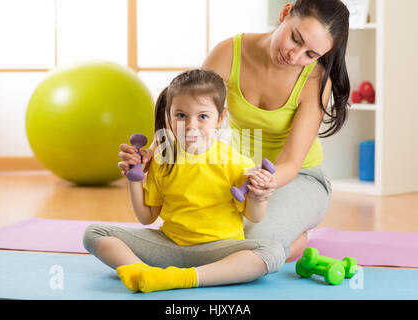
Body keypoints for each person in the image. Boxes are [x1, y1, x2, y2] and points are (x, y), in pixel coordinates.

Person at [121, 0, 350, 263]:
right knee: (215, 237)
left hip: (297, 179)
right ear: (285, 13)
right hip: (237, 174)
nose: (295, 56)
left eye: (311, 54)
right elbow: (188, 104)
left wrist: (263, 184)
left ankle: (298, 239)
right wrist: (151, 152)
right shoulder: (230, 51)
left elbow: (291, 162)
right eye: (295, 39)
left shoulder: (315, 80)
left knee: (249, 243)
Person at [83, 69, 286, 293]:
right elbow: (146, 218)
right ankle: (142, 273)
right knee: (94, 233)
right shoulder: (162, 160)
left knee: (273, 253)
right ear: (169, 116)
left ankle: (181, 278)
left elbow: (254, 217)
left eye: (203, 116)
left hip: (219, 251)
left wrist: (259, 196)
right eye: (181, 115)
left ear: (220, 118)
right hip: (169, 246)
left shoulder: (237, 163)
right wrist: (134, 178)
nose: (191, 126)